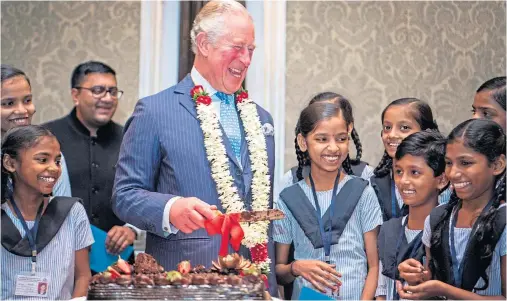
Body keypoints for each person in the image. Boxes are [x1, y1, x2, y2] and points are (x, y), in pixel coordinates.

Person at [112, 0, 278, 295]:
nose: (247, 59)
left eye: (251, 49)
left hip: (253, 283)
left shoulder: (262, 119)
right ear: (203, 43)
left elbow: (260, 214)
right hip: (184, 283)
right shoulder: (154, 111)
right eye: (237, 47)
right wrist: (170, 208)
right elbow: (125, 196)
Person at [274, 102, 382, 300]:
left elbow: (374, 266)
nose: (333, 147)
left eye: (341, 139)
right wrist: (296, 267)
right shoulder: (287, 199)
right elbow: (279, 272)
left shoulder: (363, 192)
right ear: (303, 142)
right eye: (322, 139)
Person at [397, 119, 506, 299]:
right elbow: (434, 280)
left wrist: (444, 290)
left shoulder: (503, 221)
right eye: (448, 163)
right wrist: (418, 280)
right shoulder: (437, 217)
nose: (453, 173)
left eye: (465, 163)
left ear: (497, 165)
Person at [44, 61, 137, 256]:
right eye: (98, 90)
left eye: (113, 91)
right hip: (58, 256)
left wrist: (132, 228)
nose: (108, 98)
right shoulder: (46, 138)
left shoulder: (131, 139)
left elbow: (144, 191)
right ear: (75, 95)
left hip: (115, 263)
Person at [1, 125, 93, 300]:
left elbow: (83, 276)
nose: (54, 168)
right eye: (43, 160)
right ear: (10, 163)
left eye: (57, 161)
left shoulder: (72, 212)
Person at [376, 130, 448, 300]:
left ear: (441, 180)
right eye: (399, 171)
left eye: (414, 172)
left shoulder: (447, 230)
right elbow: (382, 290)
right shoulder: (389, 229)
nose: (403, 181)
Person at [371, 98, 450, 222]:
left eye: (404, 127)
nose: (392, 134)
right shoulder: (374, 183)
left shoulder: (445, 183)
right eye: (387, 127)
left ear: (425, 132)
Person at [1, 64, 72, 197]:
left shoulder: (51, 155)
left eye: (27, 100)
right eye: (9, 103)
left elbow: (63, 211)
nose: (23, 110)